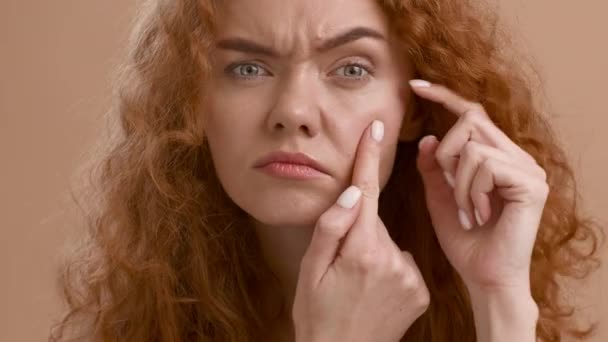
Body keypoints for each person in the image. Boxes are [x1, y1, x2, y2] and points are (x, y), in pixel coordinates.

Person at [49, 0, 603, 341]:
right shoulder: (127, 332)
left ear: (411, 106)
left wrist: (501, 299)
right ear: (194, 101)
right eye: (247, 67)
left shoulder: (488, 304)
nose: (292, 112)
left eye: (351, 69)